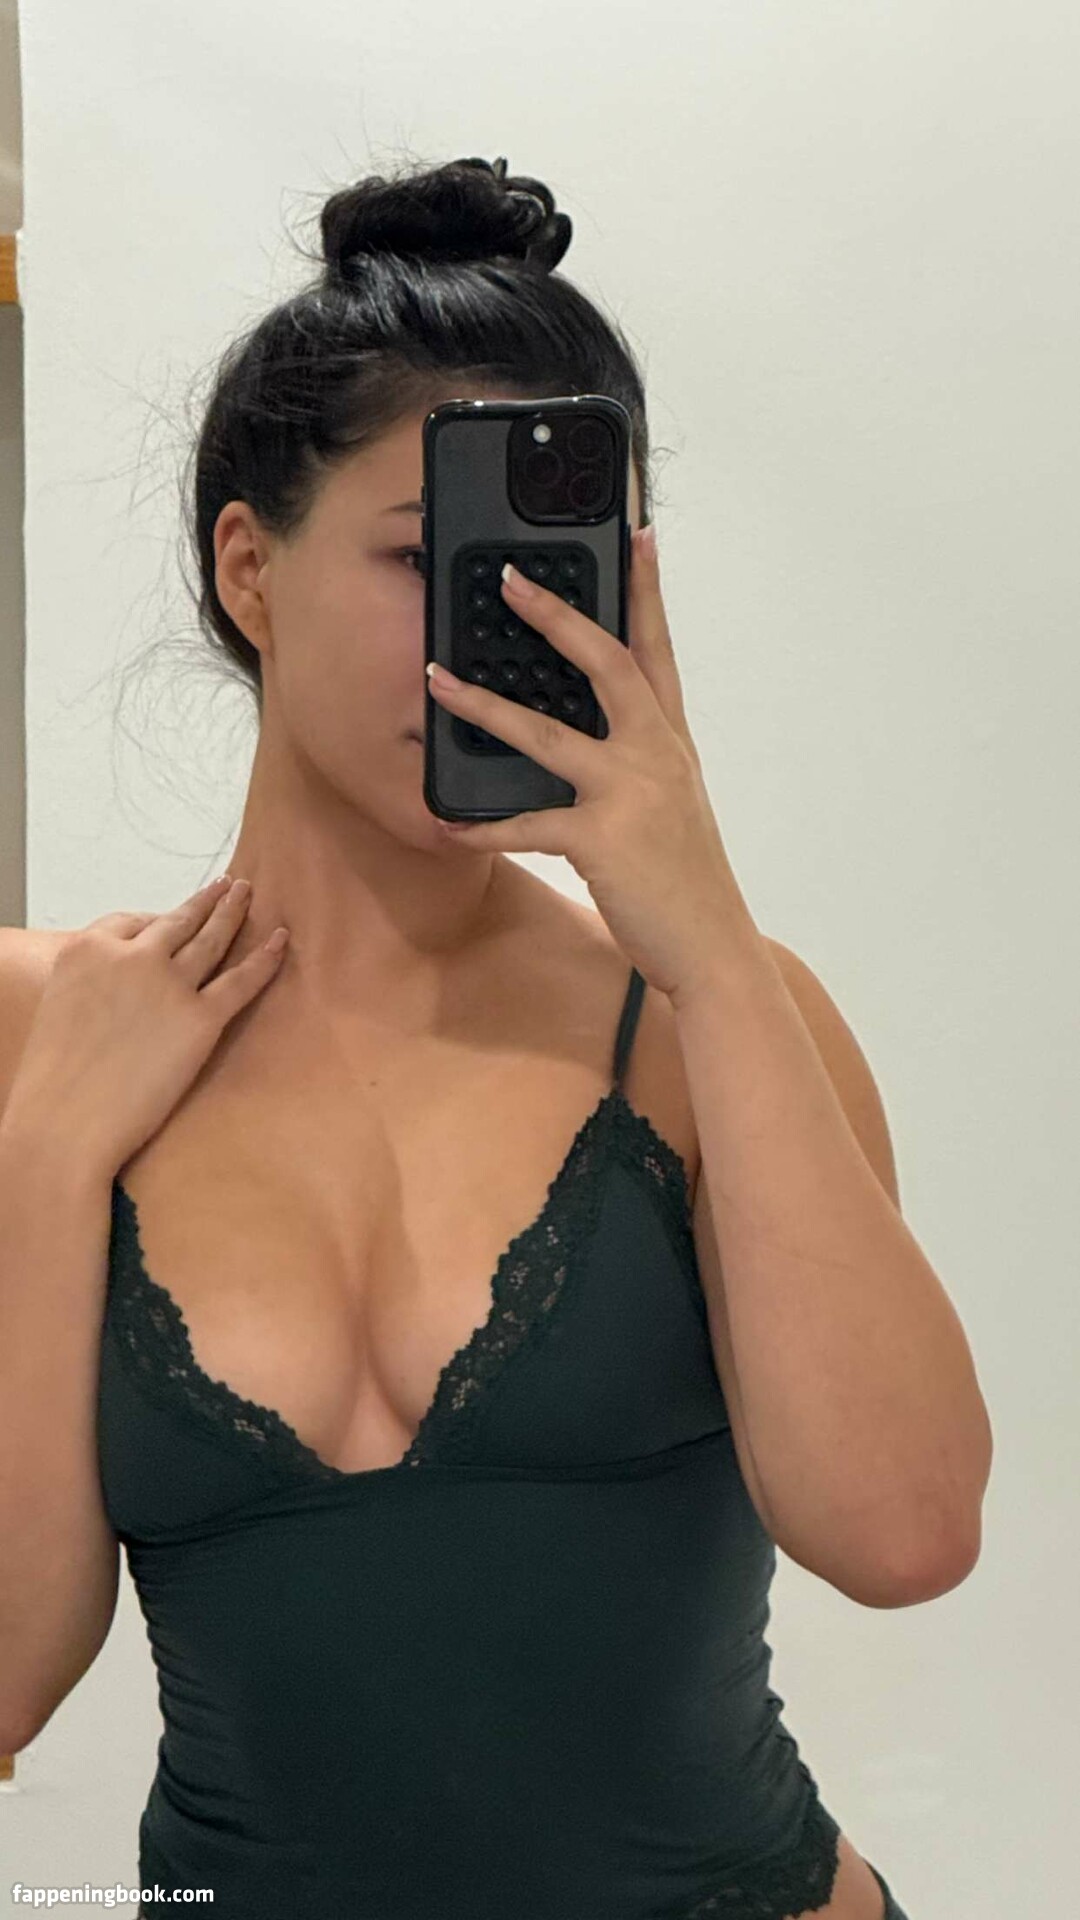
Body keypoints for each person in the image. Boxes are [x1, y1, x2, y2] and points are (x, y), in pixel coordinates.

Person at [0, 153, 916, 1919]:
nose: (486, 637)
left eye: (541, 572)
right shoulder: (39, 1029)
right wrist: (45, 1155)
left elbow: (902, 1536)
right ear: (249, 570)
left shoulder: (711, 1015)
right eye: (423, 559)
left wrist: (710, 939)